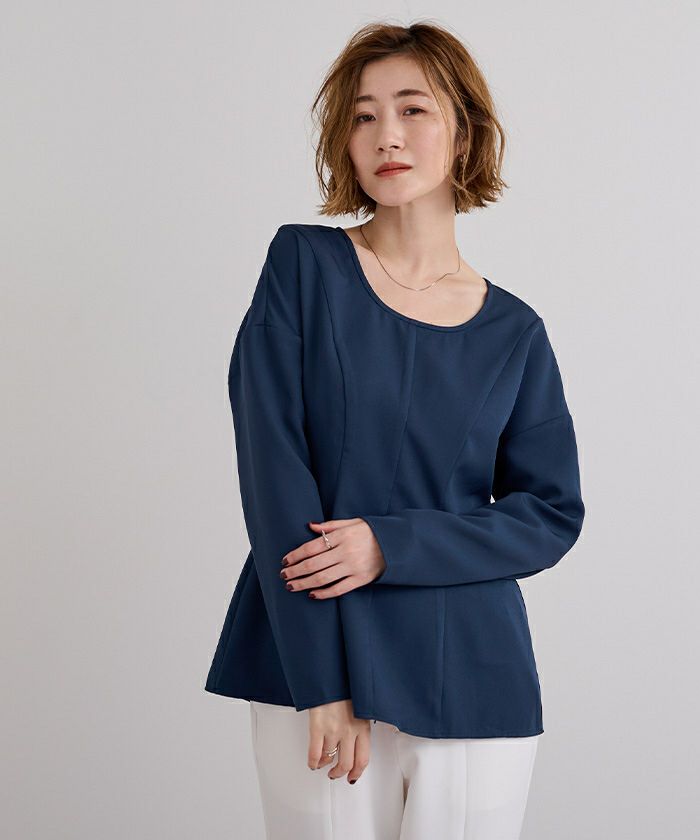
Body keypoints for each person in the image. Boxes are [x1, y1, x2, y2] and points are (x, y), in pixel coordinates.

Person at [205, 20, 585, 840]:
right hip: (316, 660)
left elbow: (550, 514)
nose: (386, 135)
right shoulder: (302, 267)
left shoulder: (515, 332)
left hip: (473, 670)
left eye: (413, 109)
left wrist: (390, 544)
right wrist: (323, 683)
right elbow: (273, 471)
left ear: (464, 133)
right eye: (363, 115)